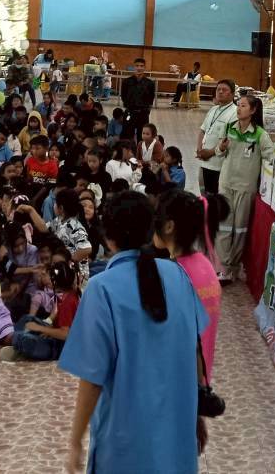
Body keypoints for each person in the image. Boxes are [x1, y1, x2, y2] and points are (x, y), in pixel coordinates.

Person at [60, 190, 209, 474]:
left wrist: (75, 441)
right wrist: (196, 414)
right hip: (176, 437)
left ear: (108, 238)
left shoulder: (101, 288)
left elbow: (92, 378)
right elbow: (195, 352)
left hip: (124, 444)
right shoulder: (179, 277)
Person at [154, 188, 223, 380]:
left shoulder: (172, 274)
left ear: (169, 226)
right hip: (200, 377)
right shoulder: (206, 266)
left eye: (156, 218)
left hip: (177, 379)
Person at [214, 94, 274, 284]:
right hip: (226, 183)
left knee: (239, 228)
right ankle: (223, 267)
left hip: (245, 187)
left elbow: (271, 157)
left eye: (243, 106)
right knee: (223, 225)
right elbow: (218, 152)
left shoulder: (260, 135)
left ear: (253, 110)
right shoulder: (229, 128)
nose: (239, 109)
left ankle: (233, 266)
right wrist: (221, 148)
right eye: (238, 105)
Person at [3, 256, 80, 362]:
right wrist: (48, 330)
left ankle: (19, 346)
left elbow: (66, 334)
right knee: (28, 319)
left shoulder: (68, 302)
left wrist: (40, 329)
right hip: (56, 337)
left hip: (61, 347)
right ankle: (18, 344)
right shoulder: (68, 295)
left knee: (21, 338)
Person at [195, 80, 237, 196]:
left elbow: (228, 141)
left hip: (218, 165)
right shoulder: (213, 109)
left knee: (215, 197)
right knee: (204, 195)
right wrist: (199, 149)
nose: (220, 92)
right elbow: (203, 130)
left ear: (232, 94)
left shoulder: (234, 113)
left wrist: (209, 153)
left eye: (224, 90)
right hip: (204, 161)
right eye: (218, 89)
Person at [119, 58, 156, 141]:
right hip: (130, 112)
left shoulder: (150, 83)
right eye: (137, 66)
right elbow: (123, 96)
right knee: (127, 136)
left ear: (144, 67)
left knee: (142, 137)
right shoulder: (126, 82)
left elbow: (151, 98)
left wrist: (146, 111)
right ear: (134, 67)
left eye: (141, 66)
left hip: (143, 113)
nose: (139, 68)